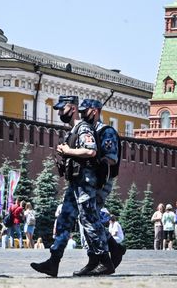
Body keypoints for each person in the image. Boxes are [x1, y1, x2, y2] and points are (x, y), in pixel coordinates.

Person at [30, 95, 113, 278]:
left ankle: (105, 261)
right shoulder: (74, 130)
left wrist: (68, 151)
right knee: (64, 219)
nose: (60, 112)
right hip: (75, 182)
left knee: (89, 220)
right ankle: (53, 262)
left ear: (73, 108)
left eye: (62, 108)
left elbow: (91, 150)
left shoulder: (83, 128)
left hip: (85, 182)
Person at [78, 98, 126, 270]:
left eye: (85, 111)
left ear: (95, 111)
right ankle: (111, 249)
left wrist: (91, 162)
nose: (82, 115)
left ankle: (101, 256)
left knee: (89, 217)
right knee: (88, 218)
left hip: (100, 181)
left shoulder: (106, 131)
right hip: (87, 181)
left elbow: (111, 158)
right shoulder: (88, 130)